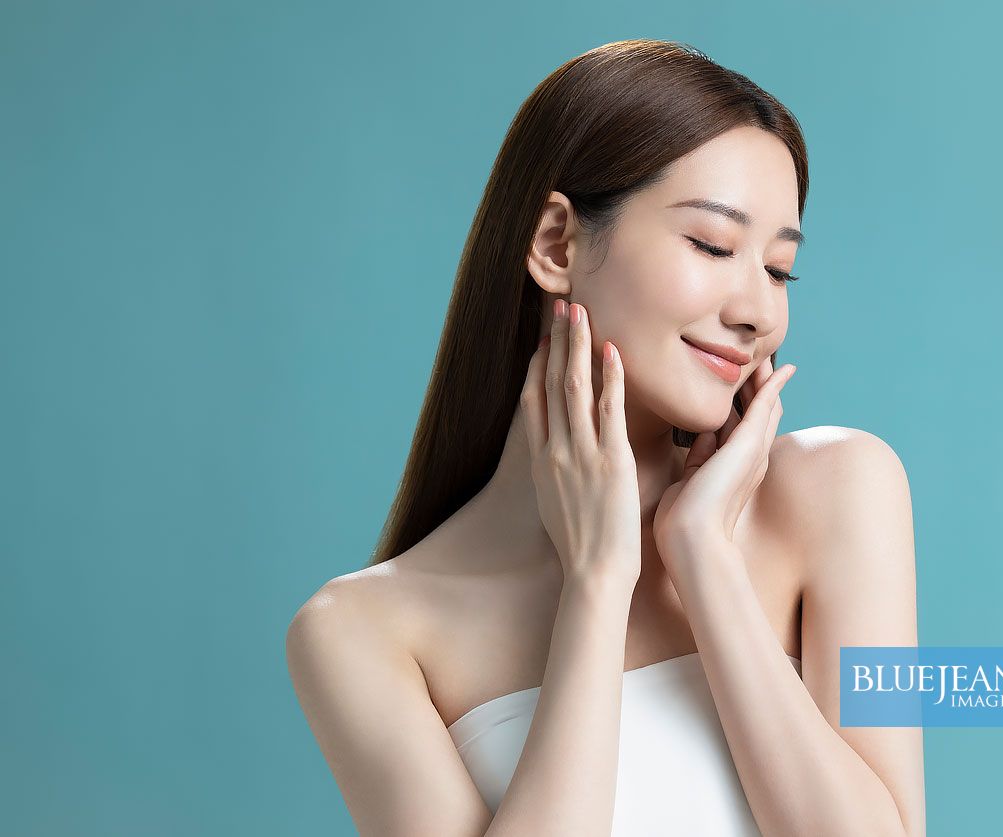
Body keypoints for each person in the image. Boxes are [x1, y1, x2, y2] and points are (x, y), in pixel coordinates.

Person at [286, 38, 925, 837]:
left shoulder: (841, 489)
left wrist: (703, 557)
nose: (759, 311)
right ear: (558, 243)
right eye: (712, 245)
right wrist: (596, 584)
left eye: (778, 268)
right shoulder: (362, 632)